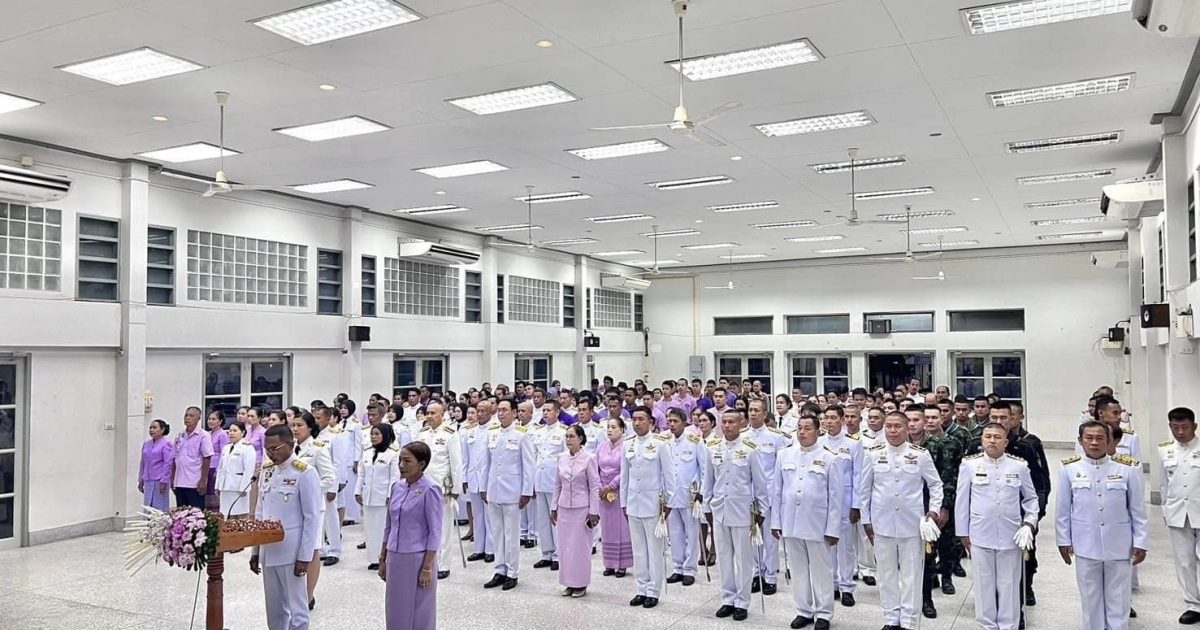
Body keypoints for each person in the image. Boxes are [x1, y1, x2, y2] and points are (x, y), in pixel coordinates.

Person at [1057, 420, 1148, 630]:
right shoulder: (1069, 468)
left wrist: (1141, 542)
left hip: (1119, 544)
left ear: (1109, 441)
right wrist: (1063, 541)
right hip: (1085, 544)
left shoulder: (1127, 468)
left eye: (1100, 438)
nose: (1094, 443)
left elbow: (1138, 510)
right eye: (1089, 438)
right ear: (1080, 441)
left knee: (1119, 598)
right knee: (1090, 599)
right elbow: (1063, 509)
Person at [860, 410, 944, 630]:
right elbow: (864, 490)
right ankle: (891, 619)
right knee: (886, 574)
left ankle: (909, 621)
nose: (892, 430)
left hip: (912, 525)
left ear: (907, 429)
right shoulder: (873, 454)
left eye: (897, 426)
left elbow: (935, 484)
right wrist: (866, 520)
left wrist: (933, 511)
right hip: (882, 523)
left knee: (911, 576)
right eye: (888, 426)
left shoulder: (920, 454)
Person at [956, 423, 1039, 630]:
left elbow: (1031, 499)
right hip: (979, 534)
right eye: (988, 437)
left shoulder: (1018, 466)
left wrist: (1028, 523)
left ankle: (1008, 626)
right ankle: (987, 626)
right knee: (983, 585)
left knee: (1009, 585)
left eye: (997, 437)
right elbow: (962, 500)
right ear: (982, 440)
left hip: (1011, 535)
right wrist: (963, 532)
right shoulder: (969, 465)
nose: (992, 440)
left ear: (1006, 442)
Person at [772, 414, 842, 630]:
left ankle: (824, 613)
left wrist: (833, 529)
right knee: (798, 569)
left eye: (807, 428)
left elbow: (836, 497)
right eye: (799, 428)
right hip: (791, 521)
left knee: (821, 571)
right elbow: (777, 491)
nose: (802, 432)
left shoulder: (830, 458)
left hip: (817, 524)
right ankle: (803, 610)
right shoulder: (784, 455)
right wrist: (776, 522)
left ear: (818, 432)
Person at [250, 424, 322, 630]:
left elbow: (312, 518)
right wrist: (256, 551)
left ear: (290, 444)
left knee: (297, 610)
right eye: (267, 449)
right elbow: (260, 511)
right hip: (269, 551)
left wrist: (305, 557)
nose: (271, 454)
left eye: (275, 449)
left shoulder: (304, 472)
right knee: (274, 610)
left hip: (292, 552)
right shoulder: (267, 471)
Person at [703, 408, 769, 622]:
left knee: (743, 558)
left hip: (742, 511)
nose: (728, 426)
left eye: (732, 422)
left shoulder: (750, 450)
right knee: (724, 557)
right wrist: (706, 508)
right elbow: (708, 481)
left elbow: (760, 484)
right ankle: (728, 598)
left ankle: (742, 601)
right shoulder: (712, 448)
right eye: (725, 422)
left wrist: (761, 511)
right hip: (720, 509)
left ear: (741, 424)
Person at [380, 442, 444, 630]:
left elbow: (435, 532)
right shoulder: (397, 487)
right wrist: (383, 558)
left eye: (407, 461)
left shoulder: (430, 490)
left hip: (418, 558)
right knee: (396, 608)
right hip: (395, 557)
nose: (401, 465)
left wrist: (427, 568)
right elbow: (389, 525)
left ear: (421, 464)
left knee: (419, 611)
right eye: (400, 460)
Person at [621, 406, 674, 609]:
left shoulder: (660, 444)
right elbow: (625, 477)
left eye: (641, 419)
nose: (637, 423)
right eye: (634, 419)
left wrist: (668, 503)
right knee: (639, 550)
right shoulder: (628, 445)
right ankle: (641, 588)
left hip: (653, 504)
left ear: (650, 422)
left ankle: (653, 591)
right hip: (633, 503)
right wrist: (623, 503)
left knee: (654, 550)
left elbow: (669, 476)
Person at [482, 399, 535, 591]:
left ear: (514, 413)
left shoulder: (522, 435)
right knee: (497, 533)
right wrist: (483, 488)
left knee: (511, 534)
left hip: (513, 491)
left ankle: (512, 572)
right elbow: (486, 464)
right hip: (494, 490)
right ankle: (500, 569)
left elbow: (529, 465)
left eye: (505, 410)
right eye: (499, 410)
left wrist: (526, 492)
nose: (501, 413)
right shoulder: (492, 433)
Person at [407, 402, 464, 579]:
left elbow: (456, 464)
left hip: (441, 488)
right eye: (428, 413)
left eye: (434, 413)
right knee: (423, 526)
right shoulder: (421, 433)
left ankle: (443, 565)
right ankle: (426, 561)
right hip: (421, 486)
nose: (430, 416)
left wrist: (456, 488)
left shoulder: (450, 434)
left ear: (442, 415)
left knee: (442, 528)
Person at [817, 404, 863, 608]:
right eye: (826, 418)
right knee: (827, 544)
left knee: (845, 546)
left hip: (845, 501)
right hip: (823, 501)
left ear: (842, 420)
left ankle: (846, 587)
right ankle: (832, 584)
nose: (829, 422)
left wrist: (856, 505)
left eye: (833, 418)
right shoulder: (818, 442)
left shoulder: (853, 444)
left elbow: (858, 475)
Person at [290, 411, 336, 610]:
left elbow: (329, 478)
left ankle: (309, 595)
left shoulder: (318, 449)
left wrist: (310, 490)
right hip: (293, 507)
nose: (295, 429)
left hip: (314, 505)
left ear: (309, 427)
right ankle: (296, 593)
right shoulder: (290, 447)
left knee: (313, 548)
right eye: (293, 425)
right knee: (297, 547)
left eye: (299, 425)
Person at [1159, 407, 1200, 625]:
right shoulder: (1165, 450)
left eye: (1185, 427)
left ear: (1195, 426)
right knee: (1184, 561)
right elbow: (1164, 485)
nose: (1180, 432)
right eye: (1175, 427)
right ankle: (1193, 605)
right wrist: (1166, 510)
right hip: (1177, 513)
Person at [552, 424, 600, 597]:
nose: (568, 440)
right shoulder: (561, 457)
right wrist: (554, 507)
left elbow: (594, 486)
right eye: (566, 436)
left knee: (580, 548)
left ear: (581, 439)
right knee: (565, 547)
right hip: (564, 507)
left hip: (582, 508)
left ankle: (581, 583)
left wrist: (594, 510)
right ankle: (569, 582)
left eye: (572, 436)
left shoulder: (589, 458)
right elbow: (557, 484)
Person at [664, 407, 705, 586]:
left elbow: (704, 468)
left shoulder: (694, 441)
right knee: (675, 533)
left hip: (690, 494)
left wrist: (701, 491)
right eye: (669, 421)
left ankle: (689, 569)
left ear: (684, 422)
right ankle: (677, 567)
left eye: (675, 421)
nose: (672, 424)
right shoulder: (666, 442)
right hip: (671, 495)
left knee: (691, 532)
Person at [357, 423, 399, 571]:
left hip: (383, 497)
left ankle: (384, 557)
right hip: (368, 496)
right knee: (370, 529)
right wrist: (357, 491)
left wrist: (390, 495)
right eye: (372, 434)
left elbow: (394, 477)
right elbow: (361, 473)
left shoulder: (393, 453)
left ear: (385, 435)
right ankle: (373, 558)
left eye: (377, 434)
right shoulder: (367, 452)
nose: (373, 437)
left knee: (382, 529)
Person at [533, 399, 568, 571]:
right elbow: (534, 456)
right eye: (544, 411)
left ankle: (558, 555)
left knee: (556, 518)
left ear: (557, 412)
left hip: (555, 481)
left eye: (549, 410)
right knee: (542, 519)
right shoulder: (538, 432)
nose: (545, 413)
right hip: (540, 479)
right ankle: (546, 553)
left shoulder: (563, 432)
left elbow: (566, 458)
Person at [598, 416, 634, 577]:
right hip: (604, 494)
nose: (610, 430)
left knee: (622, 528)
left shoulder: (626, 447)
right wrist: (600, 486)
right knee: (607, 528)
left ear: (622, 430)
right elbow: (595, 468)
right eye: (608, 427)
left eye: (614, 427)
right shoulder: (601, 447)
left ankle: (622, 565)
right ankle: (609, 564)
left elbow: (625, 469)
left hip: (619, 491)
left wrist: (611, 485)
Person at [171, 406, 214, 510]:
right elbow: (174, 458)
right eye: (186, 415)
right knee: (181, 514)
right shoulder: (180, 436)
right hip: (179, 482)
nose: (187, 418)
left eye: (191, 416)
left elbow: (207, 458)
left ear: (198, 418)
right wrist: (172, 479)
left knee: (195, 514)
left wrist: (203, 480)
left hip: (194, 482)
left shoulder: (203, 436)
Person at [217, 420, 258, 517]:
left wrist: (244, 487)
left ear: (243, 432)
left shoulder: (247, 448)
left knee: (239, 515)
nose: (231, 433)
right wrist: (218, 485)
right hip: (225, 486)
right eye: (230, 431)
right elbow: (220, 468)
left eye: (235, 431)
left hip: (238, 486)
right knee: (226, 514)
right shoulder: (226, 448)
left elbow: (249, 469)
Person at [139, 419, 174, 512]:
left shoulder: (167, 444)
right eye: (150, 428)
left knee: (159, 508)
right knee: (148, 507)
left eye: (154, 428)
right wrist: (141, 479)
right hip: (148, 480)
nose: (151, 430)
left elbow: (168, 463)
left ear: (162, 430)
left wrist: (164, 481)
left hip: (159, 480)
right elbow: (143, 462)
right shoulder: (147, 444)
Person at [207, 410, 230, 510]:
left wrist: (219, 470)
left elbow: (224, 453)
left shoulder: (222, 434)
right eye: (209, 419)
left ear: (220, 421)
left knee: (214, 492)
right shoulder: (208, 434)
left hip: (215, 467)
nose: (210, 421)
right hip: (207, 467)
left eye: (214, 419)